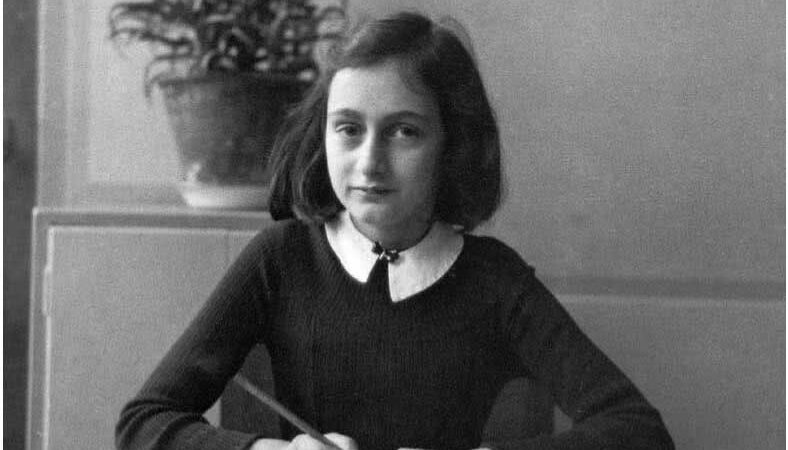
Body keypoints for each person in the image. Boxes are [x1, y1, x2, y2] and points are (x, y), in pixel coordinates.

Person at [116, 11, 675, 450]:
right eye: (348, 129)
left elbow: (638, 431)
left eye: (404, 132)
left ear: (451, 145)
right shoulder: (281, 259)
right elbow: (143, 424)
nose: (369, 162)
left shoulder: (494, 280)